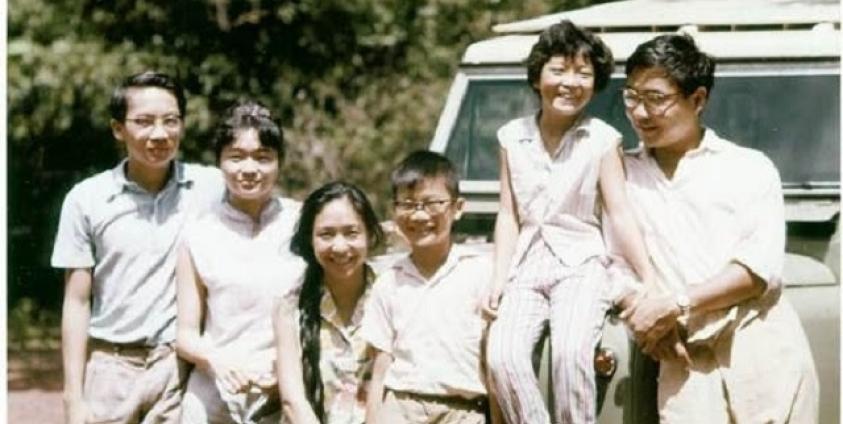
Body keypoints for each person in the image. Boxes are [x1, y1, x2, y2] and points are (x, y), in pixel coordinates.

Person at [616, 33, 819, 423]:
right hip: (682, 355)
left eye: (656, 99)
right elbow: (611, 261)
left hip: (759, 342)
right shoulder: (620, 174)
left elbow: (756, 269)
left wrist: (675, 303)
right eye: (631, 97)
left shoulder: (748, 168)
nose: (640, 113)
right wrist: (641, 310)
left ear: (698, 100)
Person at [482, 20, 656, 424]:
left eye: (583, 73)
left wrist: (647, 275)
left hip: (582, 264)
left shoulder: (602, 139)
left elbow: (619, 212)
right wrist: (498, 276)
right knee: (501, 356)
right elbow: (508, 214)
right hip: (526, 266)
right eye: (559, 70)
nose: (570, 83)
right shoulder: (511, 136)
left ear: (595, 84)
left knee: (571, 353)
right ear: (538, 75)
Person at [51, 71, 224, 423]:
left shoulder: (212, 187)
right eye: (143, 122)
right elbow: (77, 301)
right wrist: (73, 396)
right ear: (118, 129)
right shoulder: (87, 200)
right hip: (109, 368)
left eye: (170, 121)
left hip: (179, 367)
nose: (159, 134)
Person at [176, 100, 303, 423]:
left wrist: (286, 369)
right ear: (219, 161)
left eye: (263, 158)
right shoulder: (198, 231)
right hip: (214, 392)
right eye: (236, 157)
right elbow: (185, 334)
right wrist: (217, 361)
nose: (249, 169)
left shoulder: (302, 222)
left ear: (279, 162)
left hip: (287, 389)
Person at [362, 150, 492, 424]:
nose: (419, 216)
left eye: (432, 203)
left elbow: (493, 359)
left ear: (457, 208)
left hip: (464, 411)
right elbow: (381, 366)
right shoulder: (388, 282)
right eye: (407, 204)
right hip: (402, 406)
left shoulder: (480, 273)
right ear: (394, 209)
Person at [274, 181, 385, 424]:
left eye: (351, 233)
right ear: (309, 239)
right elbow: (293, 401)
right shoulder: (289, 305)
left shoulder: (390, 295)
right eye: (326, 234)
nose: (340, 246)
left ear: (369, 234)